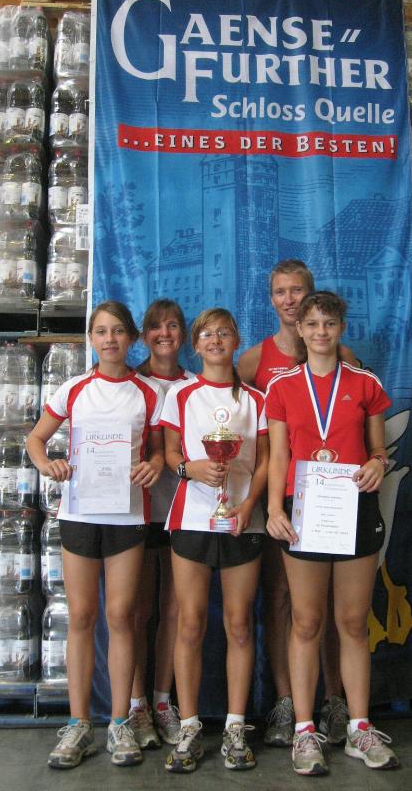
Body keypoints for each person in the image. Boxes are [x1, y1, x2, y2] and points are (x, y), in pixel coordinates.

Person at [26, 301, 165, 770]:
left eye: (118, 331)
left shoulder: (148, 392)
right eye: (101, 332)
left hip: (127, 516)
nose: (110, 339)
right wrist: (48, 464)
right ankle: (79, 723)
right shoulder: (74, 389)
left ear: (132, 339)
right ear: (91, 339)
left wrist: (154, 465)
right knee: (82, 616)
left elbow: (160, 452)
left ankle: (120, 722)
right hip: (80, 513)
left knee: (121, 616)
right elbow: (35, 439)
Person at [265, 290, 398, 776]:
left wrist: (377, 464)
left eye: (329, 324)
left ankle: (360, 727)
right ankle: (305, 731)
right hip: (302, 512)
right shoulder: (281, 386)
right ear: (299, 330)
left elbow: (378, 449)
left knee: (354, 622)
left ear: (341, 328)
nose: (321, 332)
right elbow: (278, 456)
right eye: (312, 324)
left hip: (353, 510)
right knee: (305, 622)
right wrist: (273, 508)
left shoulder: (365, 383)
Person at [237, 259, 352, 748]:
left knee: (328, 604)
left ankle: (335, 701)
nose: (288, 299)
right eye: (280, 291)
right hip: (278, 501)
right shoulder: (253, 360)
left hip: (332, 503)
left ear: (311, 297)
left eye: (297, 290)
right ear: (271, 299)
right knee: (280, 598)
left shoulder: (340, 354)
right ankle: (286, 703)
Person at [161, 308, 269, 773]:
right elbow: (169, 454)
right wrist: (192, 469)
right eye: (207, 334)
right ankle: (188, 726)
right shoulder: (181, 395)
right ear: (196, 344)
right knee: (189, 624)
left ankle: (235, 725)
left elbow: (265, 462)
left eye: (224, 333)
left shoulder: (257, 399)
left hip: (243, 521)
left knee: (239, 624)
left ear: (236, 340)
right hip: (192, 520)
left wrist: (249, 505)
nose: (216, 340)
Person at [128, 299, 194, 749]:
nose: (164, 334)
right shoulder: (130, 383)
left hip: (184, 513)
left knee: (174, 610)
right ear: (144, 336)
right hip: (135, 512)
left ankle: (163, 700)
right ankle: (136, 705)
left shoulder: (196, 385)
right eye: (156, 327)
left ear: (183, 334)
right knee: (137, 612)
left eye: (172, 326)